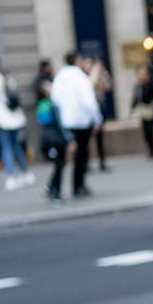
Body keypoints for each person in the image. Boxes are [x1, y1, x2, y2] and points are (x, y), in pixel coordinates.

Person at [49, 51, 102, 198]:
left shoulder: (59, 77)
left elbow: (54, 99)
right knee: (81, 155)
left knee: (62, 157)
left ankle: (54, 186)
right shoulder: (80, 77)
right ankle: (78, 186)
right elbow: (89, 101)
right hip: (81, 122)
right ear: (77, 61)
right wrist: (97, 118)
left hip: (64, 122)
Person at [0, 57, 33, 188]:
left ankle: (11, 176)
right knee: (16, 146)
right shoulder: (8, 78)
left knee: (6, 148)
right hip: (15, 118)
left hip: (2, 119)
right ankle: (25, 173)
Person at [35, 80, 69, 205]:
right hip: (55, 140)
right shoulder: (48, 104)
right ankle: (55, 194)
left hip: (52, 139)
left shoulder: (47, 103)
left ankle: (51, 188)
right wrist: (69, 139)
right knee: (59, 165)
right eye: (47, 86)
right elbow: (57, 123)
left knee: (59, 165)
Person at [83, 55, 112, 171]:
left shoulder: (98, 76)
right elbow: (91, 84)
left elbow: (107, 87)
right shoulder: (84, 78)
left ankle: (102, 162)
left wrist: (104, 73)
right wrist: (94, 73)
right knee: (87, 139)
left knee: (100, 137)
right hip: (88, 111)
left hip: (98, 108)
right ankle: (87, 163)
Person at [132, 64, 153, 158]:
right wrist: (132, 108)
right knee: (145, 131)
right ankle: (150, 149)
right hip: (143, 110)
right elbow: (136, 98)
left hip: (151, 110)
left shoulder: (151, 84)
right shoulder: (139, 85)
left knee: (150, 130)